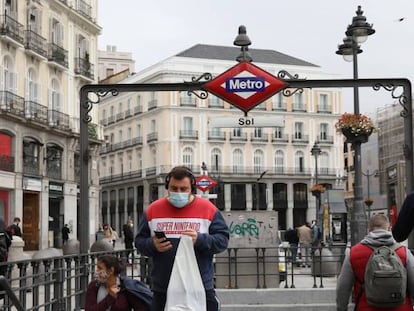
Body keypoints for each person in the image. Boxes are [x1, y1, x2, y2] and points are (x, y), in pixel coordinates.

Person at [135, 166, 229, 311]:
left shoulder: (208, 209)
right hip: (163, 288)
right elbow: (139, 242)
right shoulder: (153, 210)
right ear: (167, 187)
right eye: (174, 188)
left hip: (199, 287)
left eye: (183, 189)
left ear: (192, 188)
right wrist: (152, 245)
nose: (178, 193)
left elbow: (222, 240)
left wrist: (200, 240)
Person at [336, 214, 414, 311]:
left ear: (369, 229)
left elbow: (343, 288)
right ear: (389, 227)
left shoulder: (353, 253)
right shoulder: (404, 252)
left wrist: (341, 308)